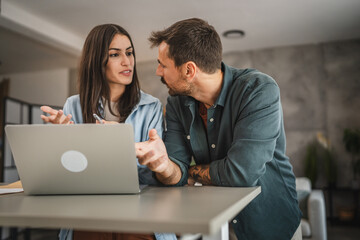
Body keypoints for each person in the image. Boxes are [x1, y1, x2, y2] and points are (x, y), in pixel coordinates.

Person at [135, 18, 302, 240]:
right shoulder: (176, 103)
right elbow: (176, 171)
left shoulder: (258, 91)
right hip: (218, 227)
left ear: (189, 70)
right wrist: (164, 165)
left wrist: (189, 173)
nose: (158, 72)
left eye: (163, 65)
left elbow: (242, 174)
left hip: (270, 224)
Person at [41, 24, 176, 240]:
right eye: (115, 54)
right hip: (89, 214)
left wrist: (123, 146)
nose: (127, 61)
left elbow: (154, 177)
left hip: (140, 215)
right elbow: (65, 177)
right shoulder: (73, 106)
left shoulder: (151, 106)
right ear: (96, 61)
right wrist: (65, 143)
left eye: (129, 53)